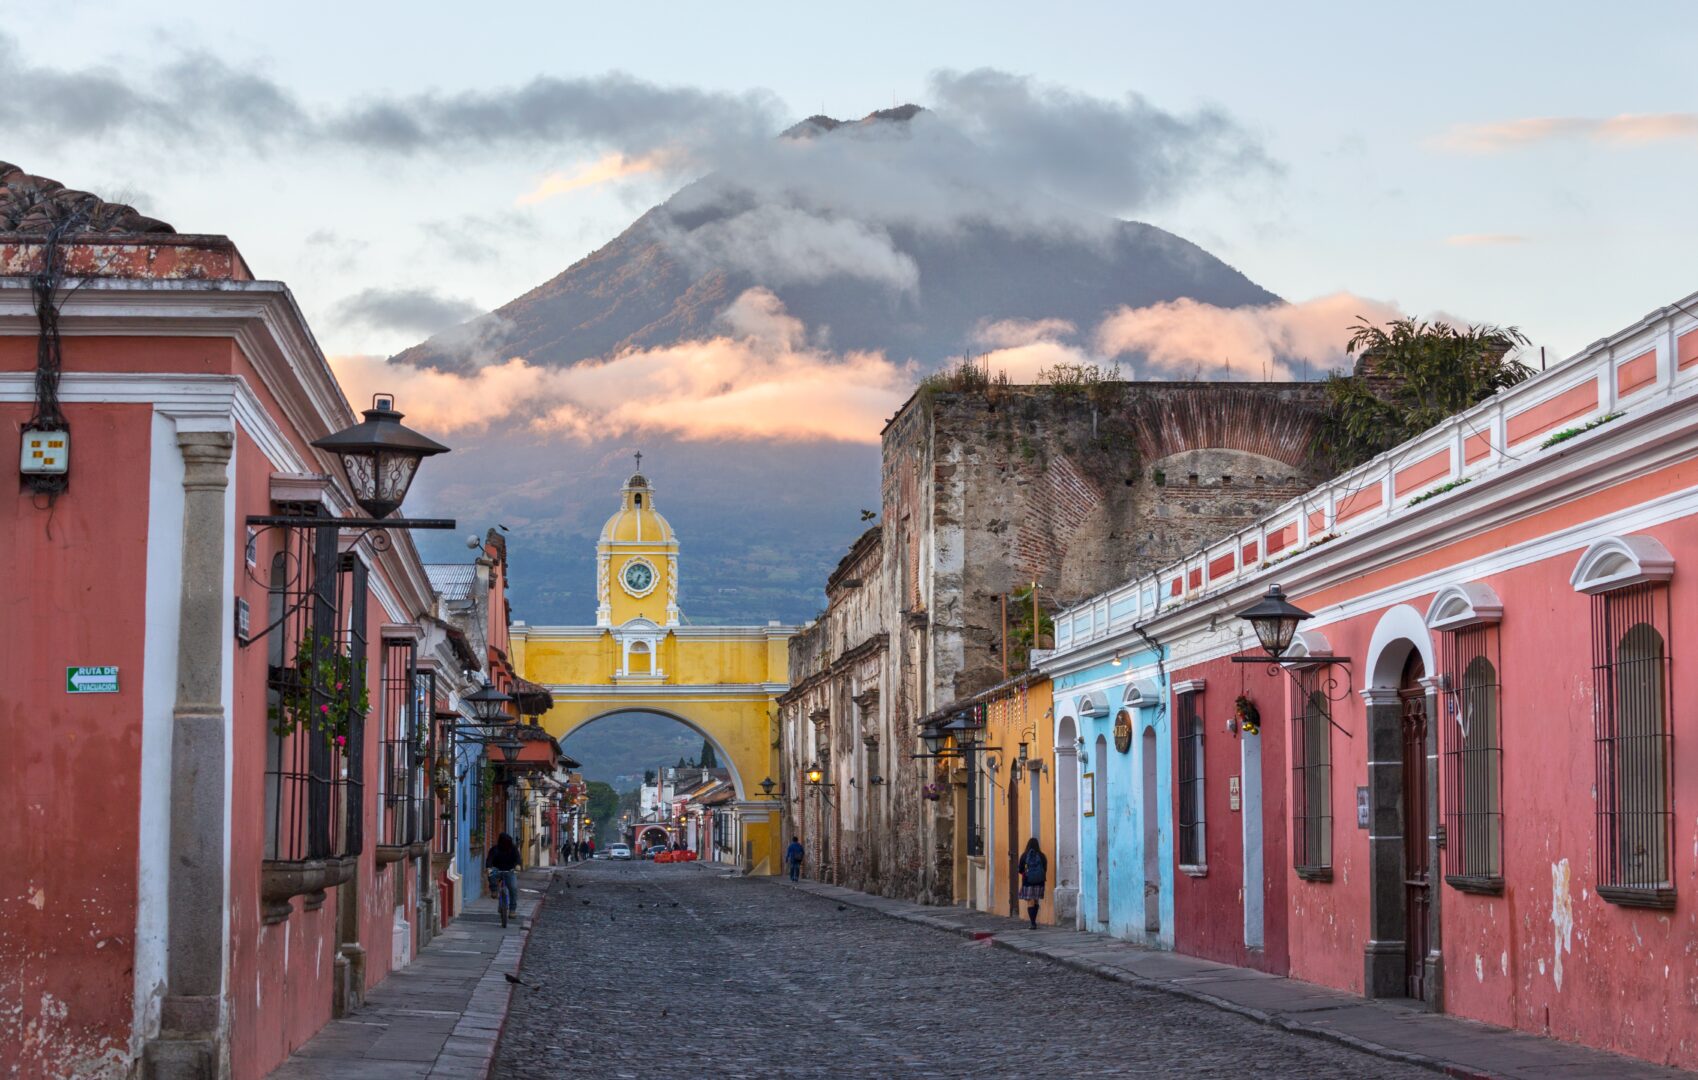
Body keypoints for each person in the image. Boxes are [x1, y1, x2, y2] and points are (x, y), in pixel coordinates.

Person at [486, 832, 521, 920]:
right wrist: (489, 867)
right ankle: (494, 890)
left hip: (510, 871)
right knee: (491, 873)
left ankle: (512, 910)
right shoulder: (495, 849)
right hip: (497, 870)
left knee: (513, 888)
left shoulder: (513, 849)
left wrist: (518, 865)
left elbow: (518, 858)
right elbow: (489, 859)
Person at [1017, 837, 1047, 929]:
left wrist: (1026, 873)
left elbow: (1020, 869)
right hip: (1039, 881)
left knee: (1030, 901)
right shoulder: (1042, 856)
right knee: (1036, 900)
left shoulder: (1024, 855)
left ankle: (1033, 923)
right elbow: (1045, 869)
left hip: (1027, 881)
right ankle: (1034, 921)